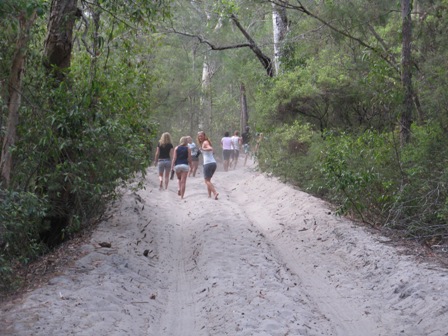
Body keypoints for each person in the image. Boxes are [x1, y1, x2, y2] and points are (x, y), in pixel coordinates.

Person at [197, 131, 219, 200]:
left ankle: (215, 192)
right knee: (208, 180)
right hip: (213, 163)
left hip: (208, 164)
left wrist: (203, 149)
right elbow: (213, 151)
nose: (200, 137)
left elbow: (210, 148)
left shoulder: (205, 142)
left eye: (201, 136)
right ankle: (209, 195)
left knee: (206, 181)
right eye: (199, 136)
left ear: (204, 136)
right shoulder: (206, 142)